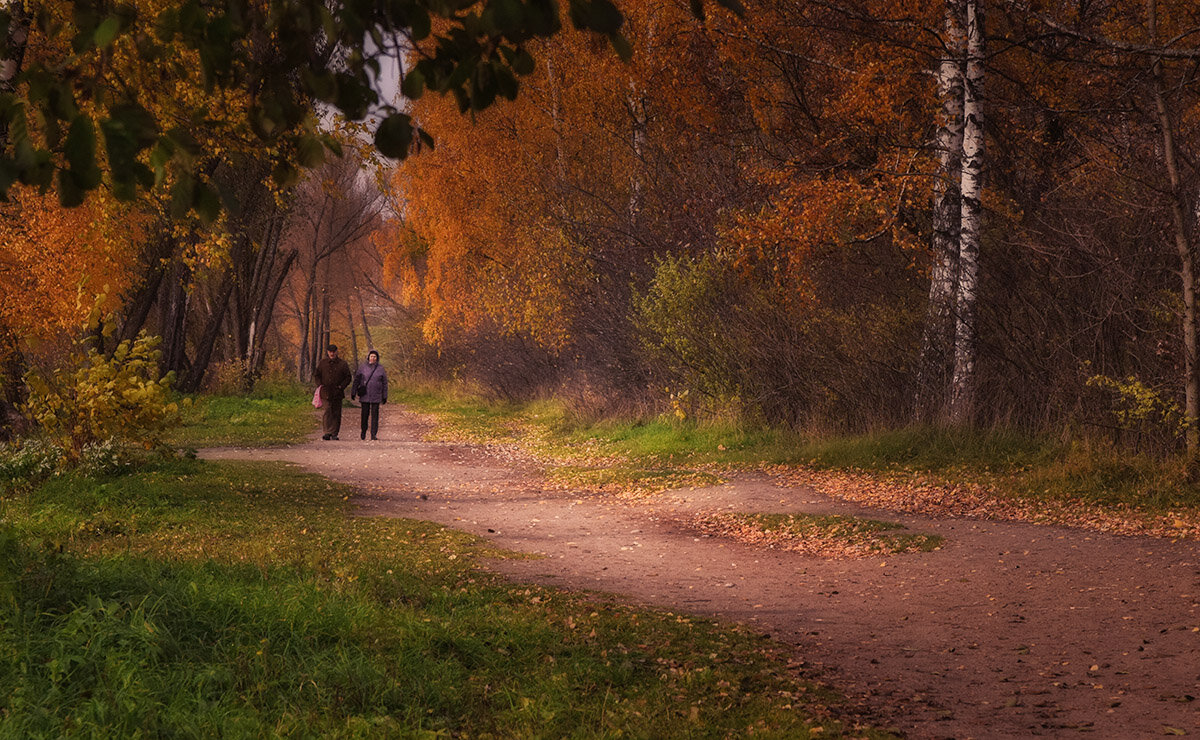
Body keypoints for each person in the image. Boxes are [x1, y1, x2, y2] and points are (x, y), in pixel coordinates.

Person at [313, 343, 351, 440]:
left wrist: (341, 387)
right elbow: (317, 375)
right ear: (327, 352)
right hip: (325, 392)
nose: (332, 353)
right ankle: (327, 432)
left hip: (337, 392)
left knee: (336, 412)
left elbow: (348, 377)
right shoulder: (323, 363)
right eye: (330, 352)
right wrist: (320, 385)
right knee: (327, 411)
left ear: (336, 352)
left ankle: (334, 433)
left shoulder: (343, 364)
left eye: (334, 351)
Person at [351, 349, 388, 441]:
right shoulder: (363, 367)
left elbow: (385, 383)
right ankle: (363, 431)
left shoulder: (381, 368)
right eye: (371, 356)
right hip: (365, 395)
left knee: (375, 415)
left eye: (375, 356)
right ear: (368, 357)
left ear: (377, 358)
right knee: (364, 415)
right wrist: (353, 391)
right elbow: (357, 380)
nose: (373, 358)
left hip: (376, 395)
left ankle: (373, 434)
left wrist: (384, 395)